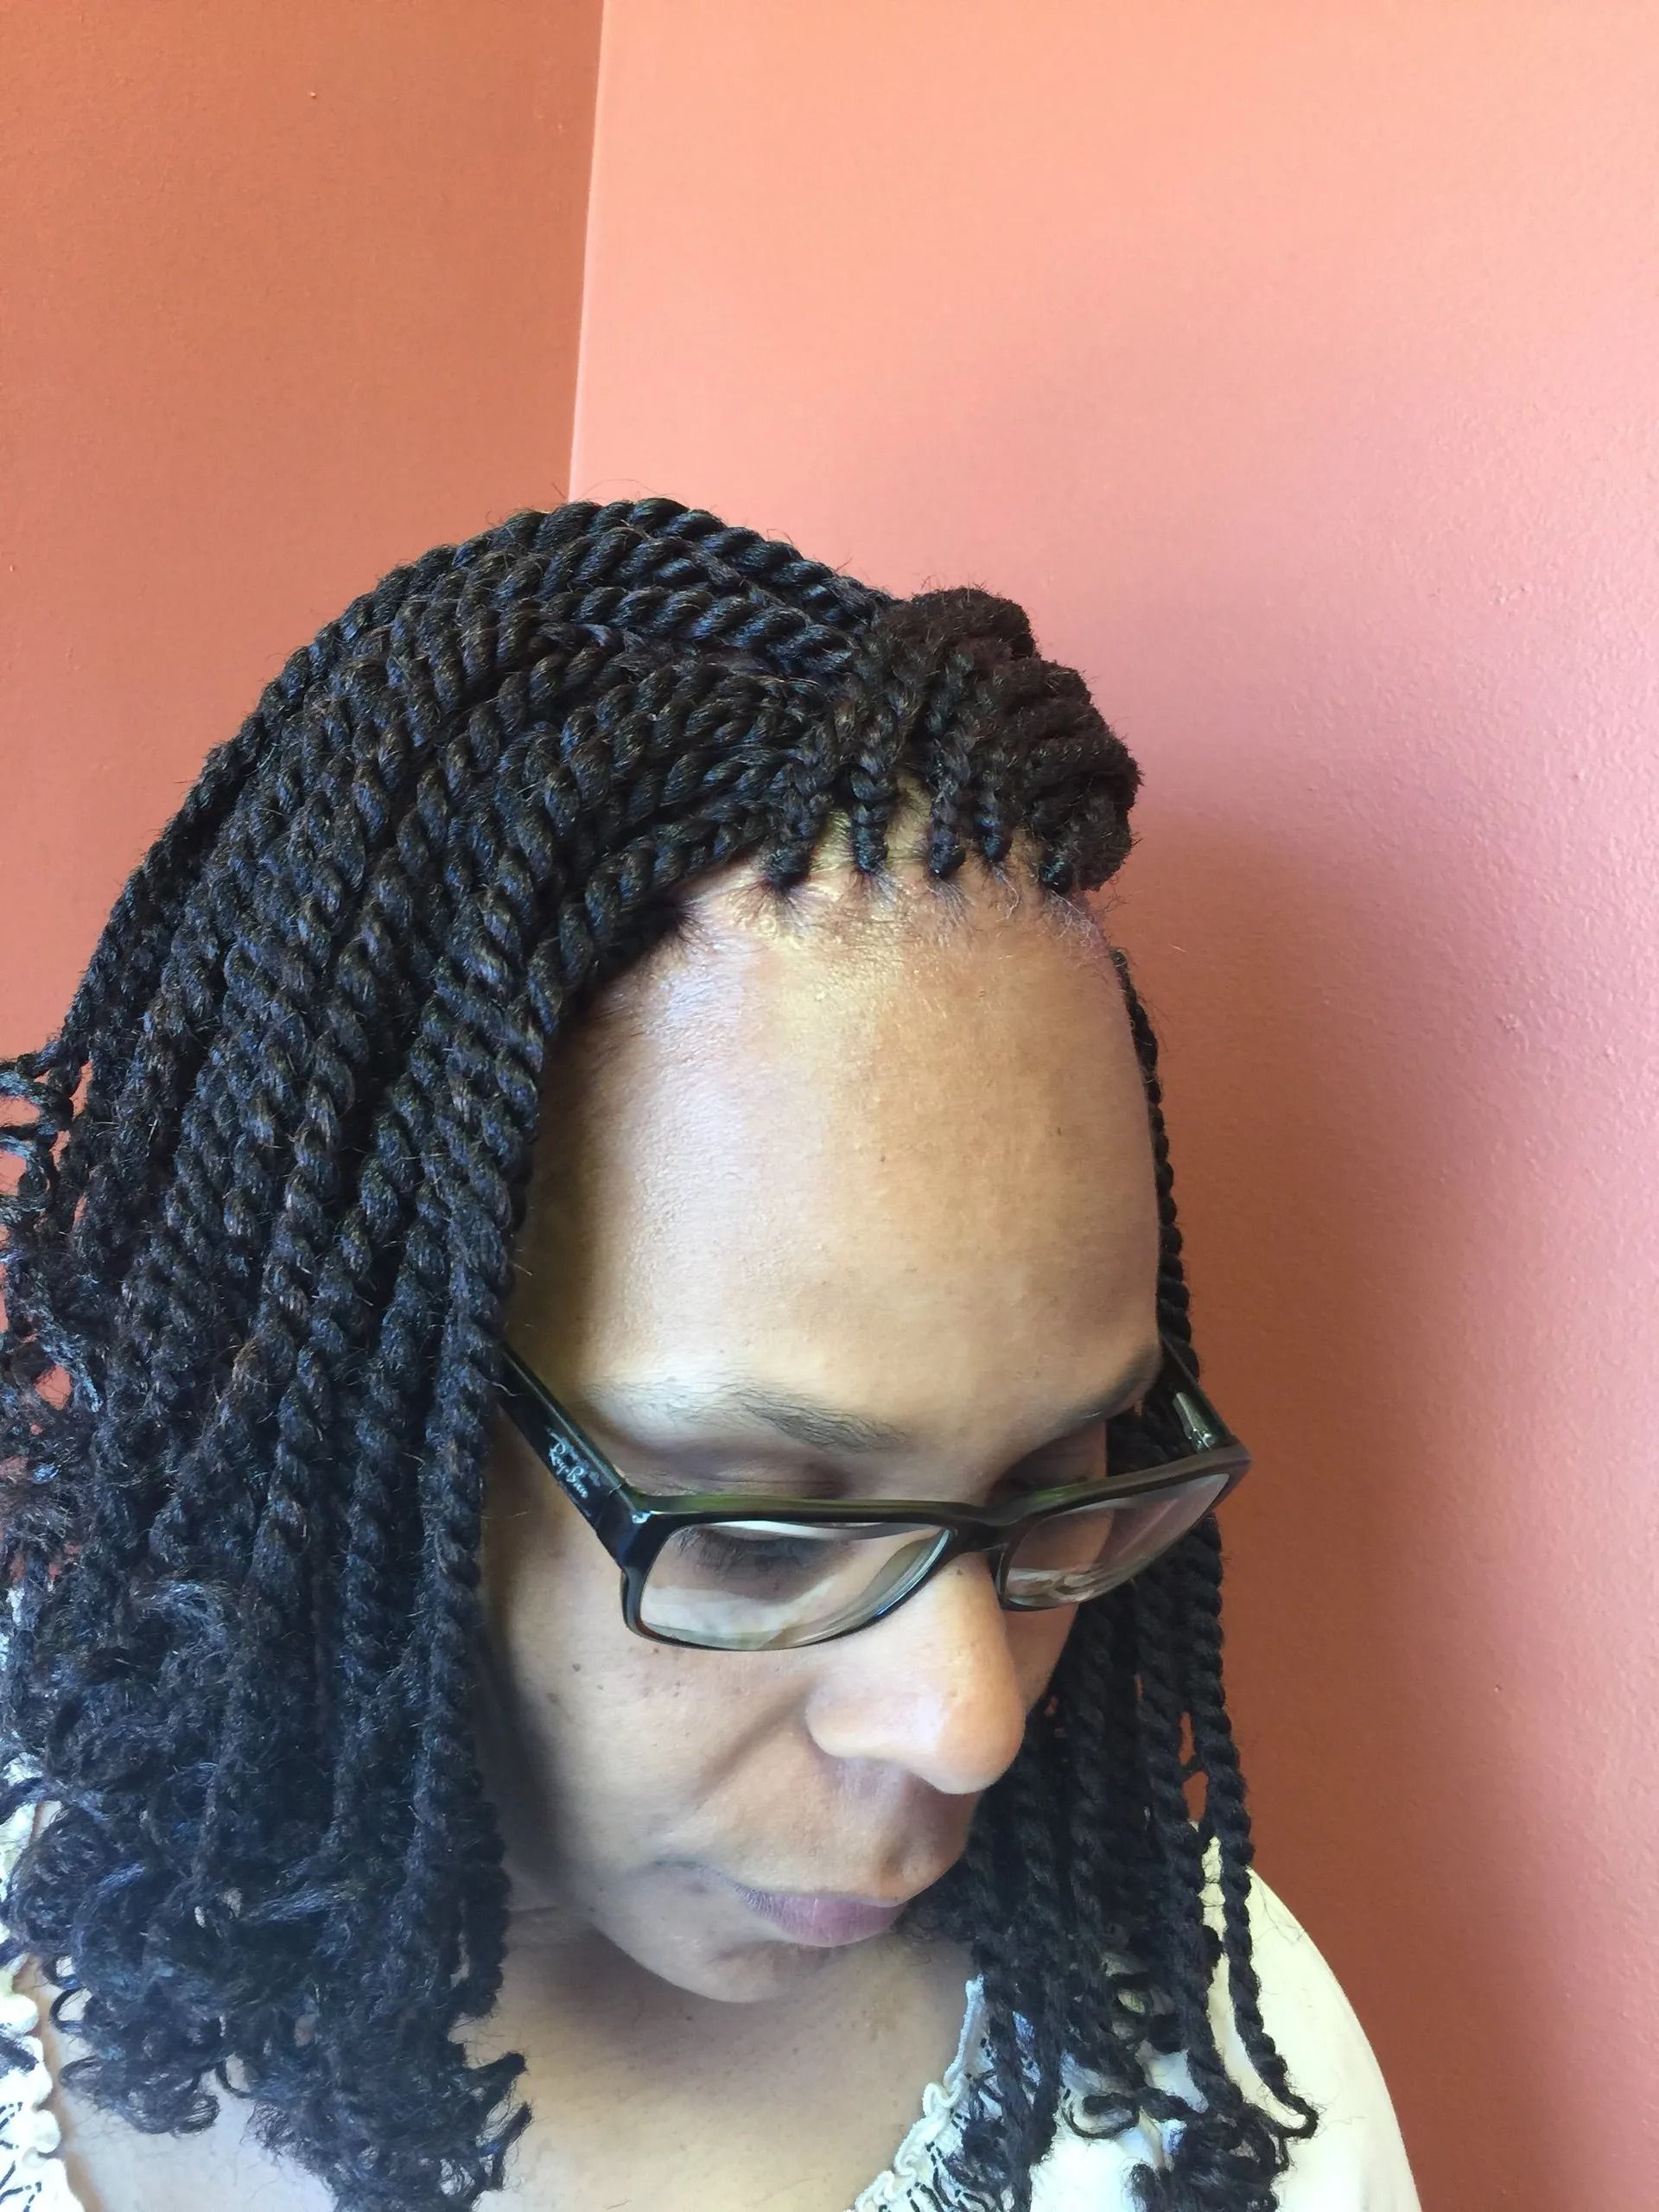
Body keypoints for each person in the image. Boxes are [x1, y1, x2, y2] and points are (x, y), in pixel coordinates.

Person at [0, 499, 1420, 2211]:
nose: (965, 1721)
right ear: (364, 1420)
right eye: (757, 1527)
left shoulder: (1217, 2086)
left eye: (1055, 1482)